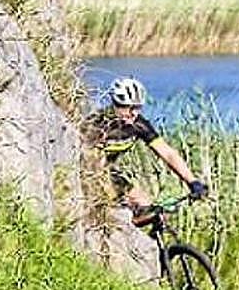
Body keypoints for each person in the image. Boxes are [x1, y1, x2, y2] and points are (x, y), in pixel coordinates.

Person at [82, 76, 208, 211]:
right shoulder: (97, 125)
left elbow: (167, 153)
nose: (133, 113)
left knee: (147, 206)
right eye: (127, 108)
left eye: (137, 108)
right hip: (91, 173)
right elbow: (88, 161)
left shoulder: (139, 125)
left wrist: (192, 181)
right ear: (115, 104)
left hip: (110, 173)